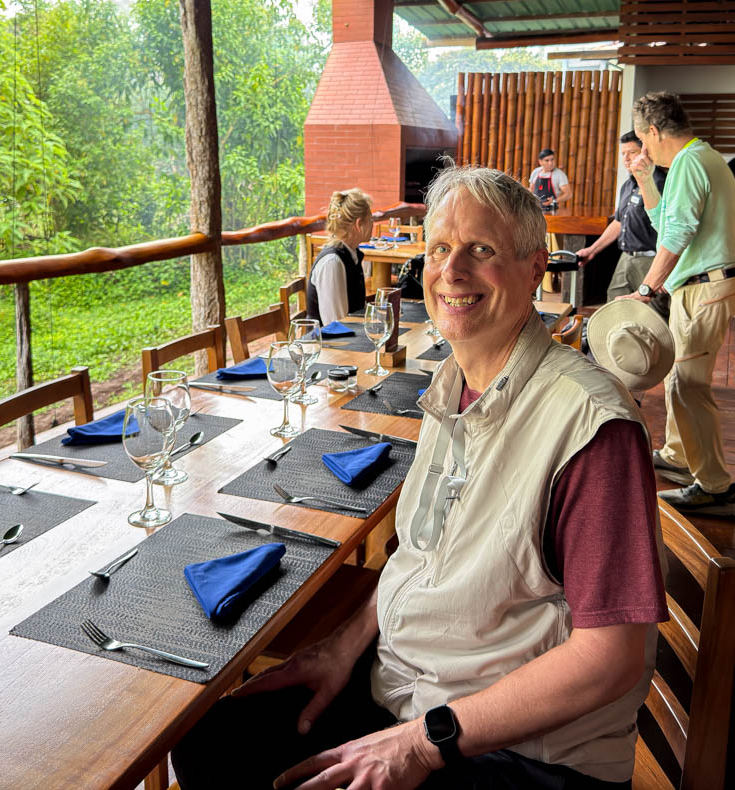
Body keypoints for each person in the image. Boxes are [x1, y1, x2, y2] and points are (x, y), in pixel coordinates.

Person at [173, 165, 666, 789]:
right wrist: (344, 645)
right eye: (439, 249)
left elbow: (610, 659)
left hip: (521, 750)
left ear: (534, 268)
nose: (451, 270)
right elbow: (421, 554)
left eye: (481, 250)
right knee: (210, 744)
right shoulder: (451, 383)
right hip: (409, 687)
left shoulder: (591, 426)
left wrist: (421, 743)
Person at [620, 91, 735, 512]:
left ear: (653, 131)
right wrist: (644, 179)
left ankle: (715, 487)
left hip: (703, 287)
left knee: (689, 385)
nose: (643, 149)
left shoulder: (690, 161)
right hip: (699, 286)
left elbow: (679, 233)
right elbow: (664, 223)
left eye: (642, 141)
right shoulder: (701, 158)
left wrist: (646, 288)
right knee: (678, 379)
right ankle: (679, 455)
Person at [576, 131, 669, 319]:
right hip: (626, 258)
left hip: (650, 260)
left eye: (632, 152)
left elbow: (673, 229)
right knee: (615, 304)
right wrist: (592, 250)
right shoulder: (628, 185)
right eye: (623, 154)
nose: (626, 159)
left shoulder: (660, 183)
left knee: (653, 315)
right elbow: (618, 223)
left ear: (645, 152)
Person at [306, 189, 373, 325]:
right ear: (359, 224)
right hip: (327, 338)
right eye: (370, 219)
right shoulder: (332, 262)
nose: (373, 224)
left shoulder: (351, 254)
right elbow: (336, 325)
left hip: (350, 334)